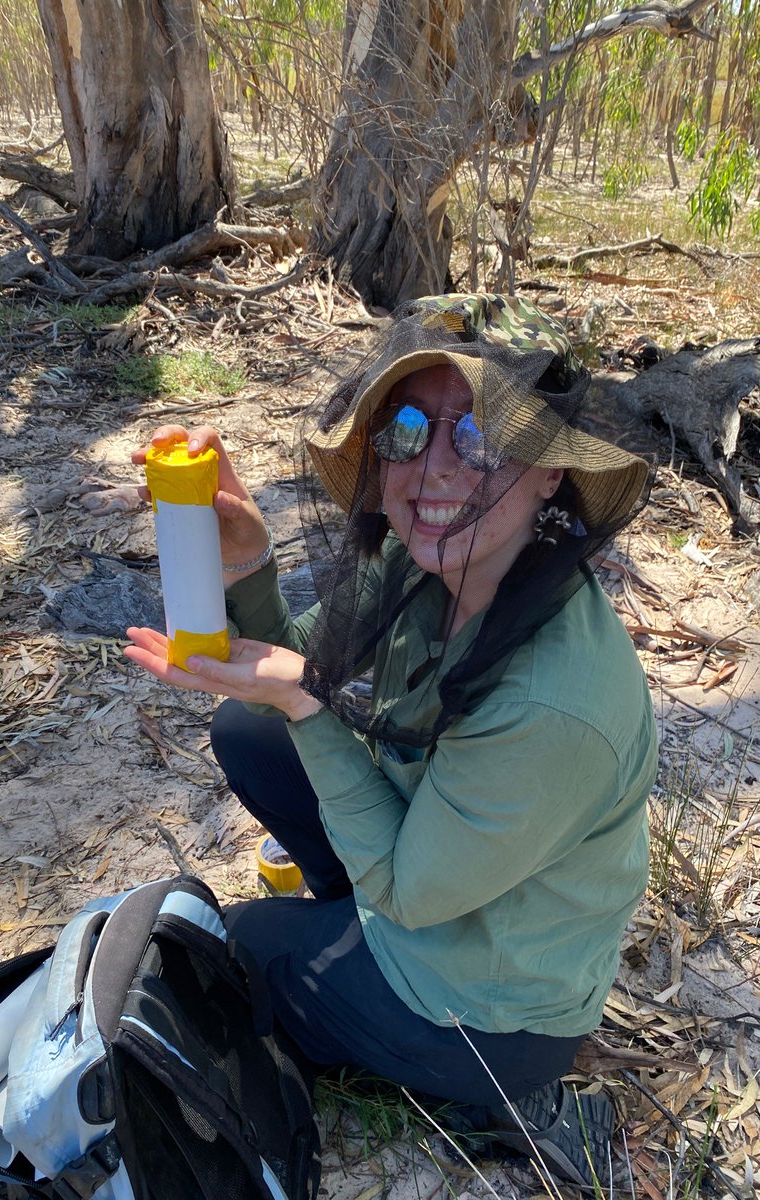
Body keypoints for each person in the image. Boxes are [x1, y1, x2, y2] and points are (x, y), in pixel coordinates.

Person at [126, 294, 658, 1190]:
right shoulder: (428, 563)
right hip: (436, 868)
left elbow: (409, 891)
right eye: (409, 429)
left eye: (482, 437)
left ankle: (502, 1095)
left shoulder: (553, 704)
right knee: (247, 730)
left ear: (551, 473)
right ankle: (343, 922)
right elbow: (307, 669)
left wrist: (305, 709)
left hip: (492, 1004)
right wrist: (246, 564)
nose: (435, 466)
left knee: (242, 950)